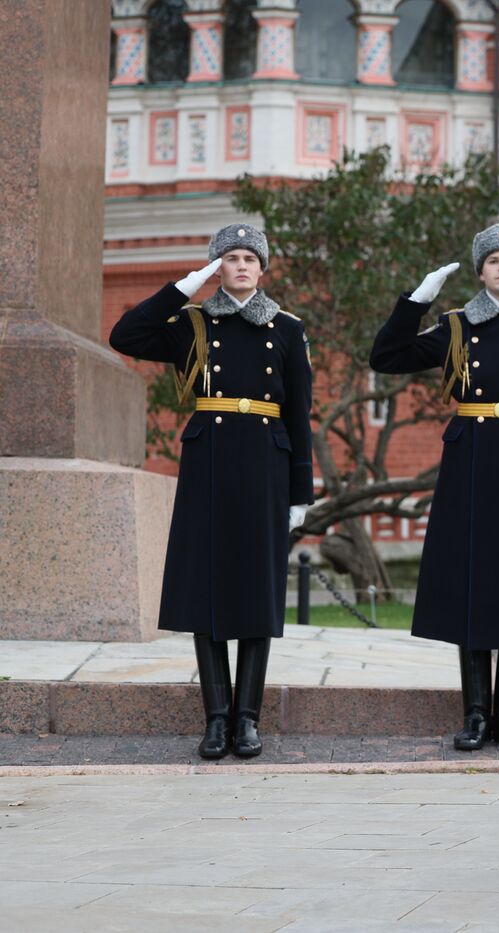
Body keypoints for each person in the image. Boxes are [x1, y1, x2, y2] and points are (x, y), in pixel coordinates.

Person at [369, 223, 499, 752]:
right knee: (472, 587)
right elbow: (386, 358)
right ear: (481, 271)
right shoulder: (457, 325)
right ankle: (474, 715)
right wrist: (415, 301)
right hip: (472, 463)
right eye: (493, 261)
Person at [109, 224, 314, 760]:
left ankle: (248, 718)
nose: (241, 265)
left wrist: (300, 495)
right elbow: (125, 335)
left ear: (263, 268)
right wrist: (184, 287)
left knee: (254, 591)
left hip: (265, 464)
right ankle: (216, 719)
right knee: (206, 591)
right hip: (209, 463)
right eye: (229, 258)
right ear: (217, 267)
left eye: (250, 257)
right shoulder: (193, 323)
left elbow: (299, 415)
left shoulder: (287, 329)